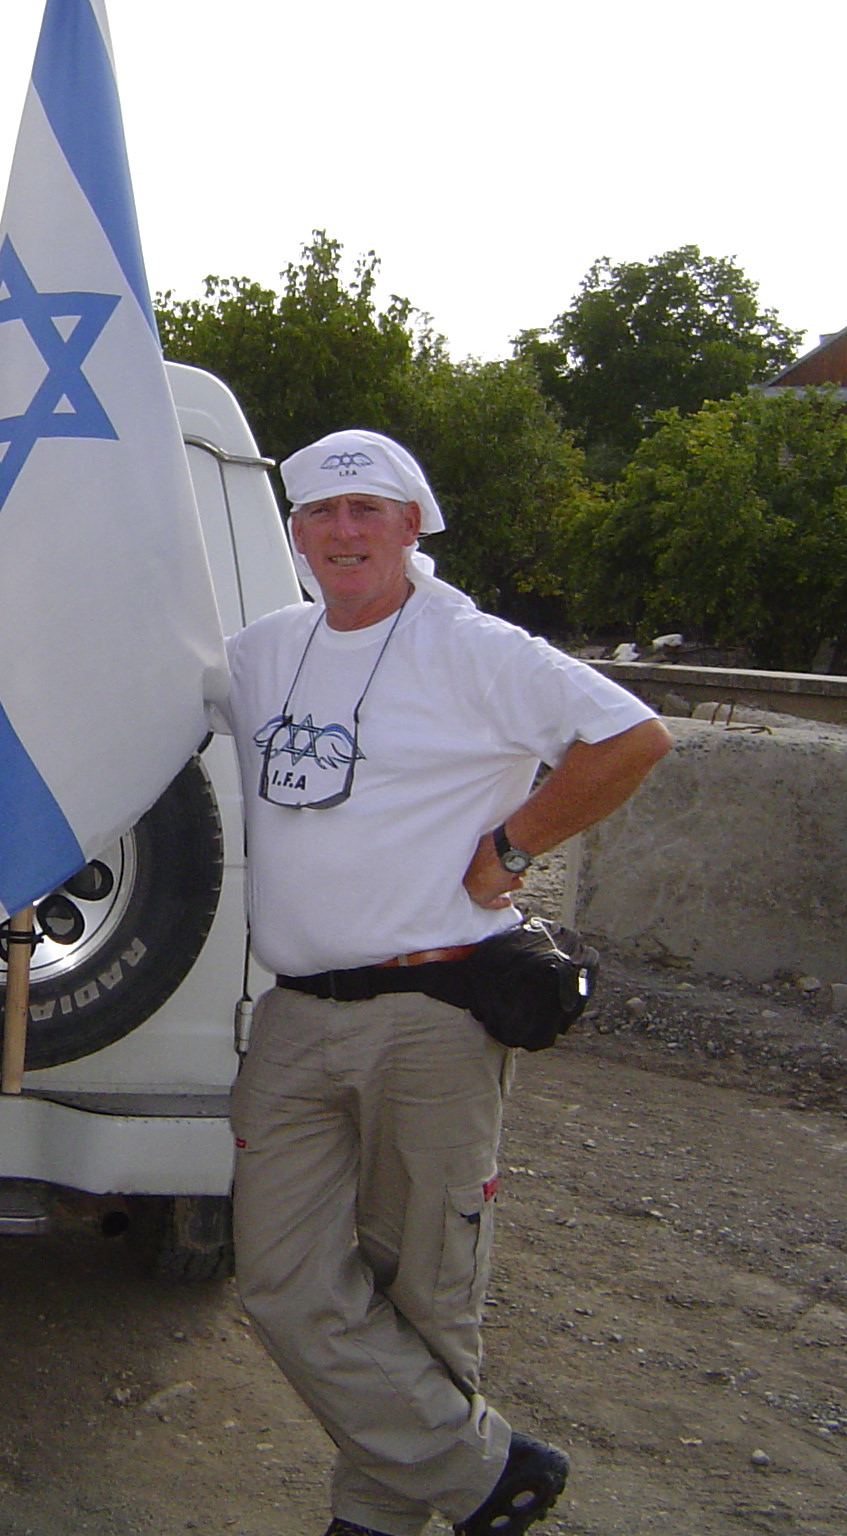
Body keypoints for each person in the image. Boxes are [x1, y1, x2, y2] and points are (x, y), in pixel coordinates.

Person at [216, 430, 671, 1536]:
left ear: (410, 523)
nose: (342, 531)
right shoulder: (263, 652)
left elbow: (627, 737)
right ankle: (481, 1475)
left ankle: (376, 1519)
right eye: (320, 515)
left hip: (429, 1009)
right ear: (295, 536)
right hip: (296, 1010)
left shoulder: (471, 647)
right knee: (280, 1274)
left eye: (366, 510)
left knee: (419, 1284)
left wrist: (513, 846)